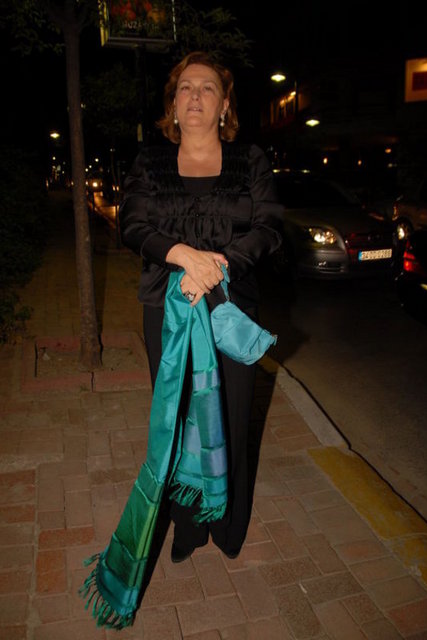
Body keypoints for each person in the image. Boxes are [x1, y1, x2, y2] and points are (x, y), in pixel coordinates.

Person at [119, 51, 284, 563]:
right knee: (178, 416)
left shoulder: (249, 160)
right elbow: (132, 225)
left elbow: (269, 227)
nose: (195, 95)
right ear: (172, 105)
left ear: (224, 104)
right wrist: (183, 256)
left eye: (207, 87)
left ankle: (229, 524)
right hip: (166, 309)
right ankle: (187, 527)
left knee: (231, 417)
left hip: (232, 310)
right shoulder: (150, 163)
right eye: (185, 88)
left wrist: (218, 266)